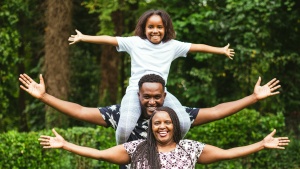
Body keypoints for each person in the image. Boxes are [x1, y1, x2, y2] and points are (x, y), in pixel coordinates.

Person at [68, 9, 235, 144]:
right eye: (151, 27)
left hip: (161, 93)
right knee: (125, 126)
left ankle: (169, 149)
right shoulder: (135, 42)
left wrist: (220, 50)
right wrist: (84, 37)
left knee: (183, 123)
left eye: (160, 27)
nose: (155, 31)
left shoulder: (172, 46)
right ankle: (121, 151)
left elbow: (197, 47)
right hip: (136, 92)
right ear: (144, 28)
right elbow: (109, 39)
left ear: (166, 29)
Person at [19, 73, 280, 142]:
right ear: (138, 95)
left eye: (157, 96)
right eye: (147, 97)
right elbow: (79, 110)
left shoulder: (175, 116)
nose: (152, 101)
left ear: (164, 95)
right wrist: (44, 97)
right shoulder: (122, 115)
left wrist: (253, 98)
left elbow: (216, 110)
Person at [39, 106, 289, 168]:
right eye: (157, 123)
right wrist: (66, 145)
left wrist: (261, 145)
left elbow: (227, 153)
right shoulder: (135, 149)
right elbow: (99, 154)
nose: (162, 127)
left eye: (167, 122)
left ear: (174, 126)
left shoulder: (191, 149)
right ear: (151, 127)